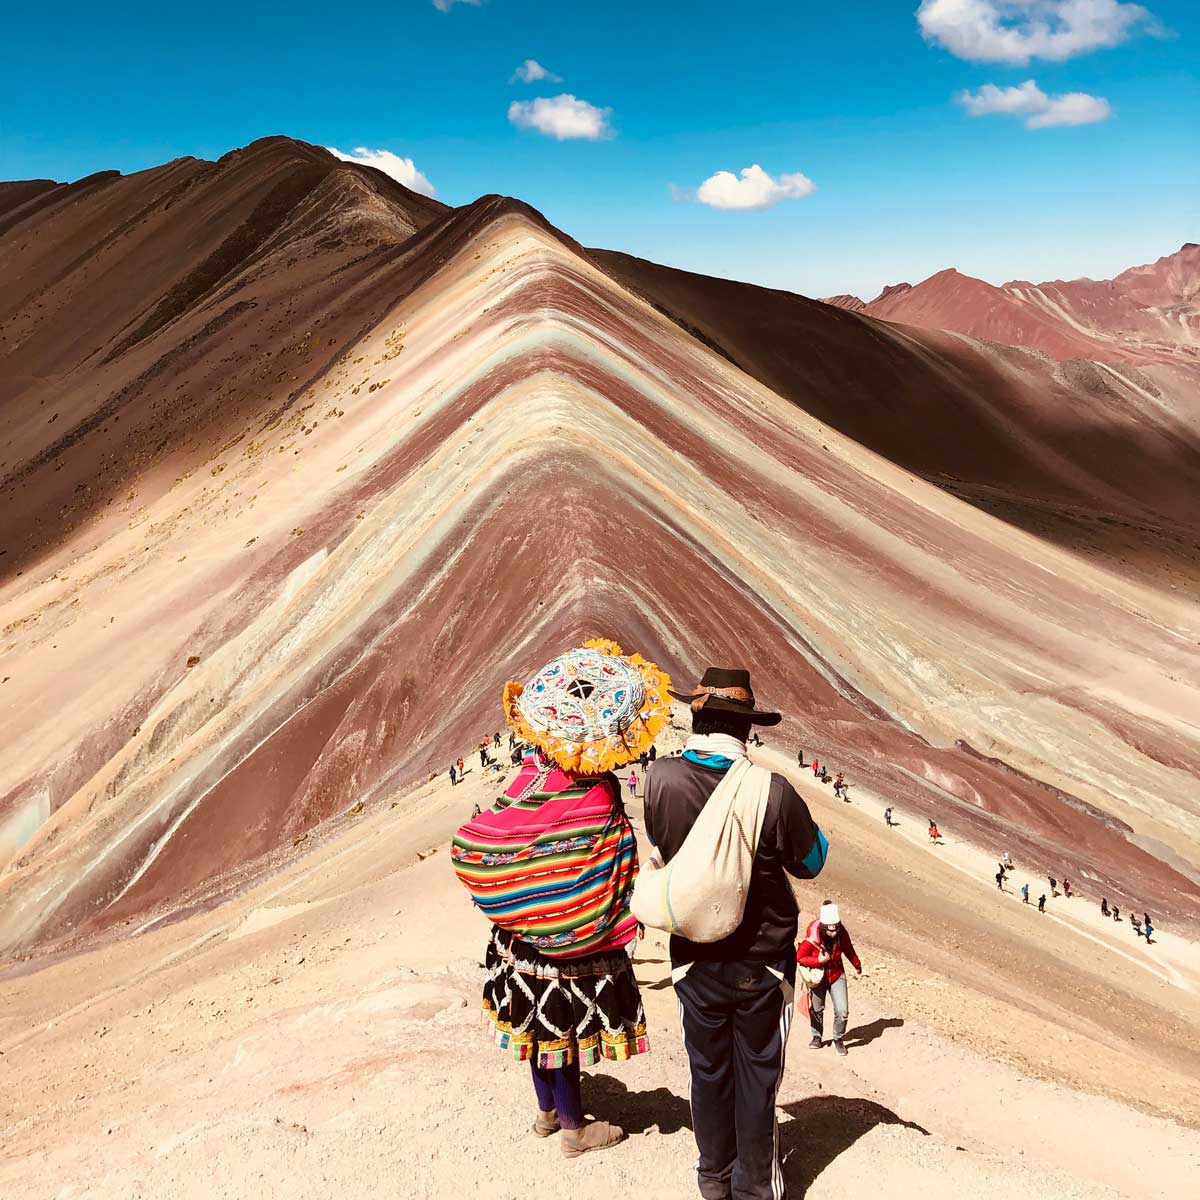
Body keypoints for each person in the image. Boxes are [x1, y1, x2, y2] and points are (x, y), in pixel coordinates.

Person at [452, 639, 671, 1159]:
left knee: (534, 1027)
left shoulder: (527, 777)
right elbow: (614, 853)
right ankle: (574, 1126)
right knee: (560, 1035)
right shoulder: (599, 791)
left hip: (517, 938)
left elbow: (497, 832)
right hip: (571, 941)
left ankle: (547, 1113)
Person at [643, 665, 828, 1200]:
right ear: (748, 728)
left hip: (692, 957)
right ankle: (753, 1187)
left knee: (707, 1069)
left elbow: (663, 842)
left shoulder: (660, 780)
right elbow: (811, 862)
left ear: (696, 716)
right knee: (757, 1075)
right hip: (762, 963)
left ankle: (712, 1176)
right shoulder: (772, 792)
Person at [797, 902, 862, 1057]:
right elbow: (800, 957)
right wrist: (818, 962)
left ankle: (838, 1038)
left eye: (836, 929)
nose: (833, 933)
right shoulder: (812, 938)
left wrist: (857, 965)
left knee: (842, 1011)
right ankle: (816, 1036)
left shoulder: (842, 933)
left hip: (836, 974)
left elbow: (848, 949)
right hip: (818, 978)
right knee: (817, 1009)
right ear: (823, 927)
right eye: (830, 930)